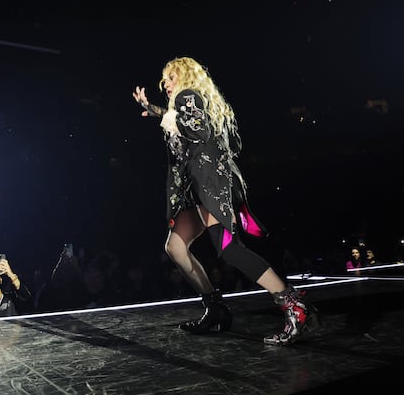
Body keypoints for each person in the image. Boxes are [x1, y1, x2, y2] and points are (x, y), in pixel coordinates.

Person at [132, 57, 321, 345]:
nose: (165, 84)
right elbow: (190, 124)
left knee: (229, 250)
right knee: (175, 247)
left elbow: (198, 130)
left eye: (170, 77)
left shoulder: (187, 96)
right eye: (164, 80)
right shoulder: (188, 102)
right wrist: (156, 110)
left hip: (209, 186)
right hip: (199, 187)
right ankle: (215, 307)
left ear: (184, 76)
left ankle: (295, 305)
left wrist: (165, 115)